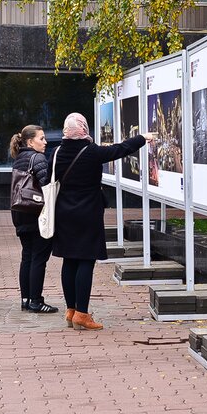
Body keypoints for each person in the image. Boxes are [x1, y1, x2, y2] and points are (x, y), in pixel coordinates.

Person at [51, 112, 153, 330]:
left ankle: (70, 311)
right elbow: (120, 149)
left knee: (69, 261)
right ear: (84, 128)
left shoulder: (57, 152)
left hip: (63, 213)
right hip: (87, 213)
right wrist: (142, 138)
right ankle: (82, 314)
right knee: (86, 261)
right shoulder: (91, 151)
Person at [10, 125, 58, 313]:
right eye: (42, 138)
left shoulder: (19, 158)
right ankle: (36, 301)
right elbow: (46, 184)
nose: (45, 142)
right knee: (39, 258)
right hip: (36, 213)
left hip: (20, 212)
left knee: (27, 256)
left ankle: (26, 299)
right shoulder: (37, 158)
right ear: (30, 142)